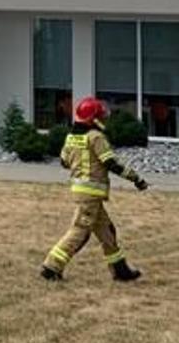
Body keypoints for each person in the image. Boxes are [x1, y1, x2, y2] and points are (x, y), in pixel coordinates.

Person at [41, 97, 148, 282]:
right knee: (80, 231)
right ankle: (51, 267)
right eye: (100, 117)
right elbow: (111, 163)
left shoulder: (71, 137)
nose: (104, 120)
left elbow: (64, 161)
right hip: (91, 195)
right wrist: (136, 179)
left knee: (107, 231)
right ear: (93, 119)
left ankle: (120, 271)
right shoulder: (96, 137)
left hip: (81, 192)